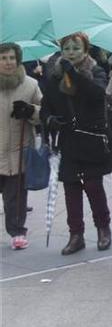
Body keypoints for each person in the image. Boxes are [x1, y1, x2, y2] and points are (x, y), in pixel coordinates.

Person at [41, 32, 112, 255]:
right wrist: (49, 119)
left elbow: (97, 95)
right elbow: (47, 105)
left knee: (93, 185)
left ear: (85, 50)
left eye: (76, 48)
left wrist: (75, 74)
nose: (71, 53)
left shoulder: (96, 70)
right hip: (68, 139)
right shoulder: (54, 74)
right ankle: (76, 235)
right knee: (71, 188)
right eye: (67, 49)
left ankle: (103, 228)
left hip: (91, 137)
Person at [0, 43, 42, 250]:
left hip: (18, 150)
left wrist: (30, 111)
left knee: (15, 196)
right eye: (3, 58)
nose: (8, 62)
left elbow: (44, 113)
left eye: (11, 58)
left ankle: (17, 231)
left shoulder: (30, 85)